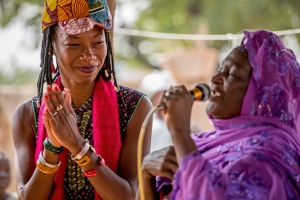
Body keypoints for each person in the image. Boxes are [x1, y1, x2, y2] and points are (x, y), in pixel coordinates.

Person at [11, 0, 152, 199]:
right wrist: (52, 145)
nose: (89, 55)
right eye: (74, 44)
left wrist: (77, 145)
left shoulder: (134, 107)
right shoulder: (28, 113)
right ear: (52, 45)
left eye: (98, 42)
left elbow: (130, 195)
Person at [140, 30, 300, 199]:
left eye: (231, 73)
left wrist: (180, 132)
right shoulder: (203, 144)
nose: (215, 78)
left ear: (260, 93)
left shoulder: (273, 148)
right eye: (220, 69)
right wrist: (146, 176)